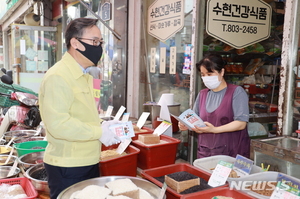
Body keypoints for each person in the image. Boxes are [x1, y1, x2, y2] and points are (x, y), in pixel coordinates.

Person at [39, 18, 119, 199]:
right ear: (75, 43)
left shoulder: (84, 76)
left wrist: (105, 125)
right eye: (95, 41)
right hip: (69, 165)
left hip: (87, 160)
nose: (99, 47)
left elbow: (82, 115)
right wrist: (98, 132)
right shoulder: (59, 76)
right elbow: (58, 124)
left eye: (101, 42)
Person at [179, 53, 250, 159]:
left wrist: (215, 130)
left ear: (222, 72)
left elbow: (241, 123)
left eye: (209, 74)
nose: (205, 78)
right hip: (205, 152)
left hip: (231, 153)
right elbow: (195, 119)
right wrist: (186, 125)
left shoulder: (236, 92)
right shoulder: (202, 94)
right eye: (203, 75)